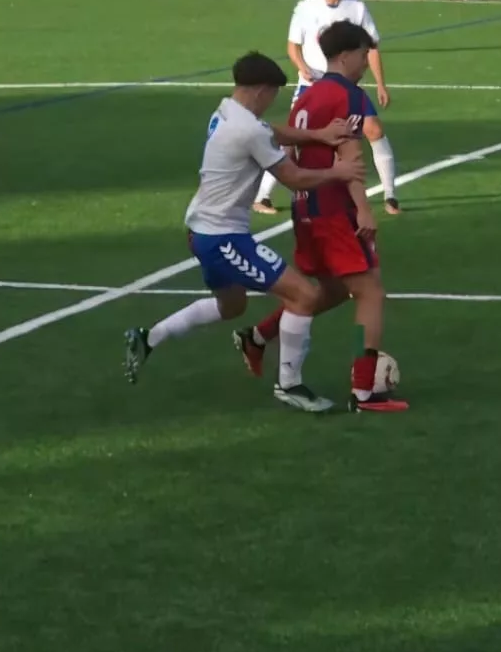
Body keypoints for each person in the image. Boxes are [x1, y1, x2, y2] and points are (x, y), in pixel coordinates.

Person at [121, 53, 365, 412]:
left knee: (232, 306)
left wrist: (317, 135)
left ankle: (149, 338)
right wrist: (338, 172)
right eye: (273, 96)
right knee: (304, 295)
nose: (271, 103)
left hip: (200, 231)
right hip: (224, 238)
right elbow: (294, 178)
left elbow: (271, 131)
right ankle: (290, 385)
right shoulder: (248, 129)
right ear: (262, 90)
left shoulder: (225, 112)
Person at [240, 21, 406, 412]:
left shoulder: (307, 96)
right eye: (363, 54)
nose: (366, 62)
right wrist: (363, 208)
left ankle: (259, 336)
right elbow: (349, 156)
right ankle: (364, 390)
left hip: (305, 209)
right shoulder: (348, 96)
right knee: (370, 292)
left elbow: (291, 148)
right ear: (345, 56)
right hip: (334, 210)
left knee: (328, 291)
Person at [254, 0, 399, 216]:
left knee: (373, 130)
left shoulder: (357, 8)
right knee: (292, 139)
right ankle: (263, 196)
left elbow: (372, 47)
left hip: (346, 86)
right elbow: (293, 46)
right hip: (312, 86)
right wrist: (303, 67)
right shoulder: (306, 7)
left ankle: (390, 196)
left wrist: (380, 84)